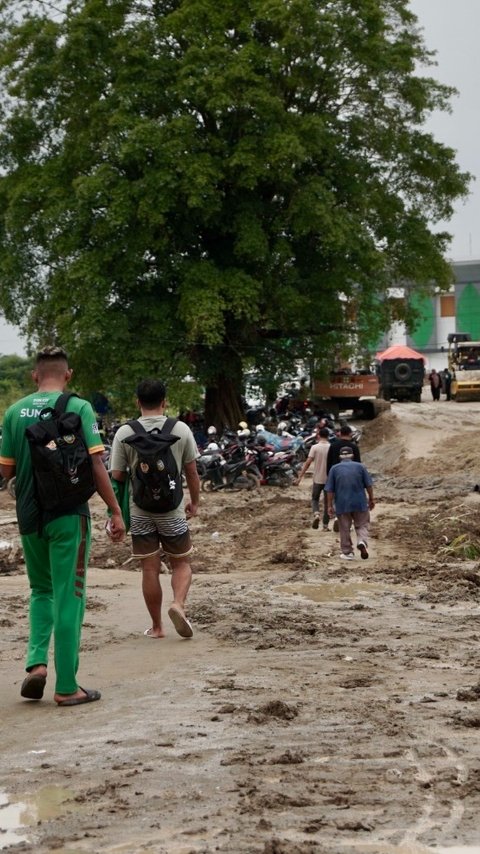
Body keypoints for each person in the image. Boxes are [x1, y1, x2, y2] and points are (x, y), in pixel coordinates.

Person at [0, 346, 125, 707]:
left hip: (28, 516)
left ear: (34, 375)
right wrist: (115, 511)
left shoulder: (12, 411)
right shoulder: (79, 407)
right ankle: (67, 685)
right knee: (70, 595)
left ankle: (36, 665)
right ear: (67, 375)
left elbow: (6, 469)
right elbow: (97, 465)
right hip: (69, 515)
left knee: (41, 590)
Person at [110, 379, 200, 640]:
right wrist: (195, 502)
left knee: (150, 569)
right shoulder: (181, 429)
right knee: (181, 563)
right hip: (172, 511)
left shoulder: (124, 433)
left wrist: (115, 514)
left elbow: (116, 475)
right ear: (165, 402)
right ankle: (178, 605)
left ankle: (157, 626)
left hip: (140, 512)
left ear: (138, 402)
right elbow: (192, 472)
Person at [325, 446, 375, 560]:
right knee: (362, 524)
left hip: (342, 503)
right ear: (352, 455)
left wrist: (329, 505)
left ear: (340, 457)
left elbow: (330, 490)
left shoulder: (334, 469)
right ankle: (361, 541)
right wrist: (371, 499)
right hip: (360, 502)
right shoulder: (360, 467)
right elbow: (369, 485)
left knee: (344, 528)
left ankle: (348, 552)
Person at [295, 427, 331, 530]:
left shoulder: (314, 447)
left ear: (319, 436)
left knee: (315, 499)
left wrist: (300, 476)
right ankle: (325, 526)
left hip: (317, 479)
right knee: (327, 503)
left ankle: (316, 514)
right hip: (329, 480)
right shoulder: (331, 447)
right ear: (328, 436)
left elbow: (307, 463)